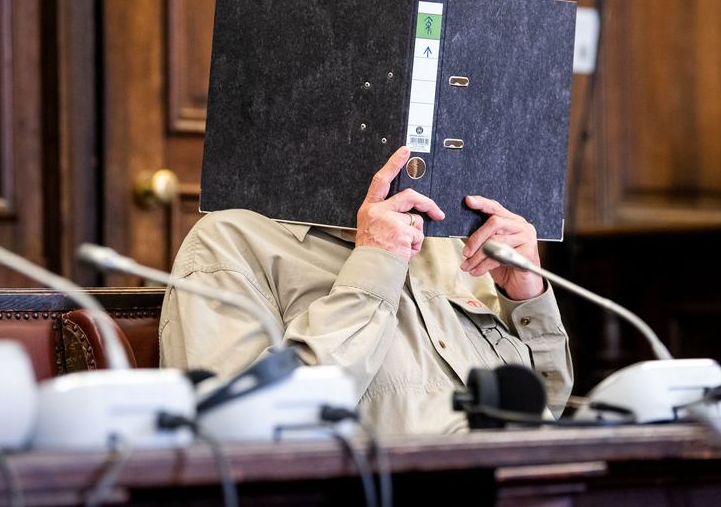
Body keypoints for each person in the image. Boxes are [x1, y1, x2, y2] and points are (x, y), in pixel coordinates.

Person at [160, 146, 573, 435]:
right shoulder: (228, 240)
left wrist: (526, 297)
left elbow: (549, 404)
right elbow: (232, 432)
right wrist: (376, 263)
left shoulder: (448, 240)